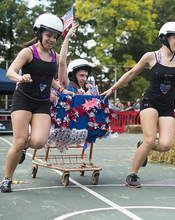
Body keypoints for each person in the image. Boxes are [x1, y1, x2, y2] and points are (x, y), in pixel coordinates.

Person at [101, 21, 175, 188]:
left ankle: (142, 146)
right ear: (165, 38)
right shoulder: (151, 56)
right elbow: (132, 73)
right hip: (150, 102)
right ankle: (132, 175)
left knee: (165, 145)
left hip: (167, 106)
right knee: (150, 140)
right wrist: (112, 89)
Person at [1, 13, 75, 193]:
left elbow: (48, 79)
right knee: (18, 141)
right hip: (23, 100)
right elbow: (10, 72)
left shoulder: (55, 56)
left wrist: (62, 89)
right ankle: (7, 179)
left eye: (55, 37)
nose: (52, 39)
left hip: (42, 103)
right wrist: (21, 77)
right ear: (39, 33)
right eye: (48, 35)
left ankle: (24, 148)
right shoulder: (28, 52)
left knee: (39, 141)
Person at [58, 23, 93, 95]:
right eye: (82, 75)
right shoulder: (65, 85)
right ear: (72, 75)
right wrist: (67, 38)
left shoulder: (80, 92)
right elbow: (62, 62)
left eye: (86, 76)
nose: (85, 79)